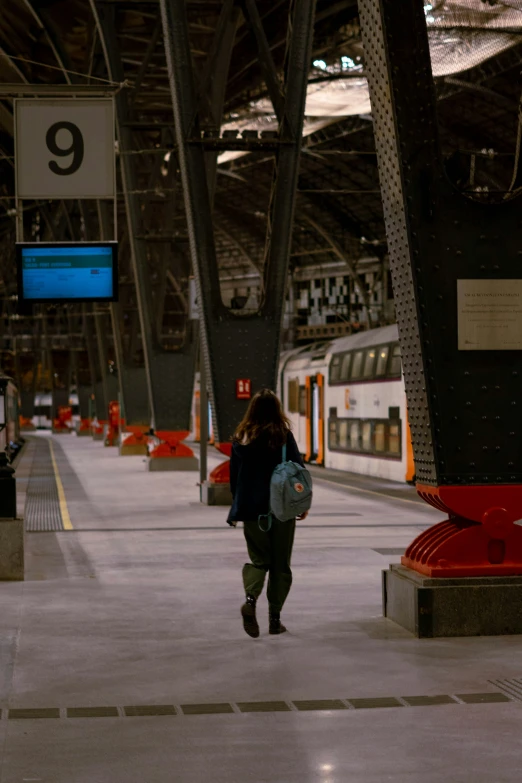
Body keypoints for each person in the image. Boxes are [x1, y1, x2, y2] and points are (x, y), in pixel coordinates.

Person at [227, 388, 309, 639]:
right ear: (277, 410)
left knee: (259, 560)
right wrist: (301, 505)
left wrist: (241, 505)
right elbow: (298, 471)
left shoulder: (241, 439)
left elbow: (234, 480)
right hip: (281, 511)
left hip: (253, 512)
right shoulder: (283, 436)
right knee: (280, 565)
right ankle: (275, 620)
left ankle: (250, 601)